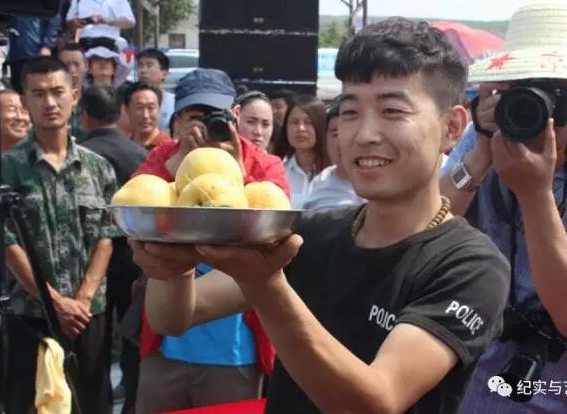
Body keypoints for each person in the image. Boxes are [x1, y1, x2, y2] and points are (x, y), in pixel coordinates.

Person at [132, 19, 511, 414]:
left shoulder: (471, 267)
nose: (364, 133)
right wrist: (172, 260)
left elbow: (376, 401)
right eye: (349, 112)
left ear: (452, 127)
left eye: (392, 111)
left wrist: (266, 285)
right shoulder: (312, 232)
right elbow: (174, 317)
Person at [439, 3, 567, 413]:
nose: (533, 105)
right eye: (521, 88)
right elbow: (422, 232)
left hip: (539, 395)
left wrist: (535, 194)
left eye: (554, 90)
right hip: (451, 379)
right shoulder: (488, 136)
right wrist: (479, 156)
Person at [132, 68, 290, 413]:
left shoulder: (265, 164)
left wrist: (235, 170)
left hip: (236, 348)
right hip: (167, 342)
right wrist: (182, 164)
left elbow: (272, 231)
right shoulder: (163, 157)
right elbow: (139, 206)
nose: (205, 127)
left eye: (215, 116)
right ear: (177, 119)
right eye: (195, 117)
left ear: (235, 114)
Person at [1, 56, 119, 414]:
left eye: (57, 91)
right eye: (38, 94)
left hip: (88, 315)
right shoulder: (6, 169)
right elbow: (8, 243)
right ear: (24, 101)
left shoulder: (98, 168)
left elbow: (107, 235)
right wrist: (54, 302)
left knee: (92, 403)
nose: (49, 102)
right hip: (31, 317)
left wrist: (81, 299)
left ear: (75, 94)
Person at [78, 84, 148, 414]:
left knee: (96, 346)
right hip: (136, 258)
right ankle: (133, 403)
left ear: (84, 116)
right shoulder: (139, 155)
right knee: (134, 338)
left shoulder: (79, 155)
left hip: (92, 265)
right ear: (121, 113)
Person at [271, 94, 331, 208]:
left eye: (308, 122)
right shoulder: (278, 171)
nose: (301, 128)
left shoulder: (336, 173)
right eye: (294, 122)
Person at [303, 100, 364, 210]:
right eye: (335, 134)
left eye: (349, 132)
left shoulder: (381, 186)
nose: (341, 141)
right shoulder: (320, 183)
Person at [7, 14, 62, 94]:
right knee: (18, 88)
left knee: (38, 87)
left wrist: (47, 45)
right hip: (15, 52)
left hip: (35, 51)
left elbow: (53, 18)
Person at [66, 0, 135, 52]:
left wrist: (108, 21)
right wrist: (76, 22)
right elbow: (69, 22)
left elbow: (130, 22)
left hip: (108, 45)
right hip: (84, 44)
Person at [124, 81, 172, 150]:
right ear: (127, 110)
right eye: (139, 107)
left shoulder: (170, 149)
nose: (145, 115)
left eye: (151, 108)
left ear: (159, 109)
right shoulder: (123, 148)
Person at [136, 48, 175, 133]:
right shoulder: (131, 101)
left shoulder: (174, 102)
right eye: (140, 66)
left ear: (164, 74)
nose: (143, 70)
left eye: (149, 65)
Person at [58, 42, 88, 140]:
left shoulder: (93, 100)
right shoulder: (51, 101)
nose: (72, 70)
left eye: (77, 64)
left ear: (86, 67)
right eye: (66, 65)